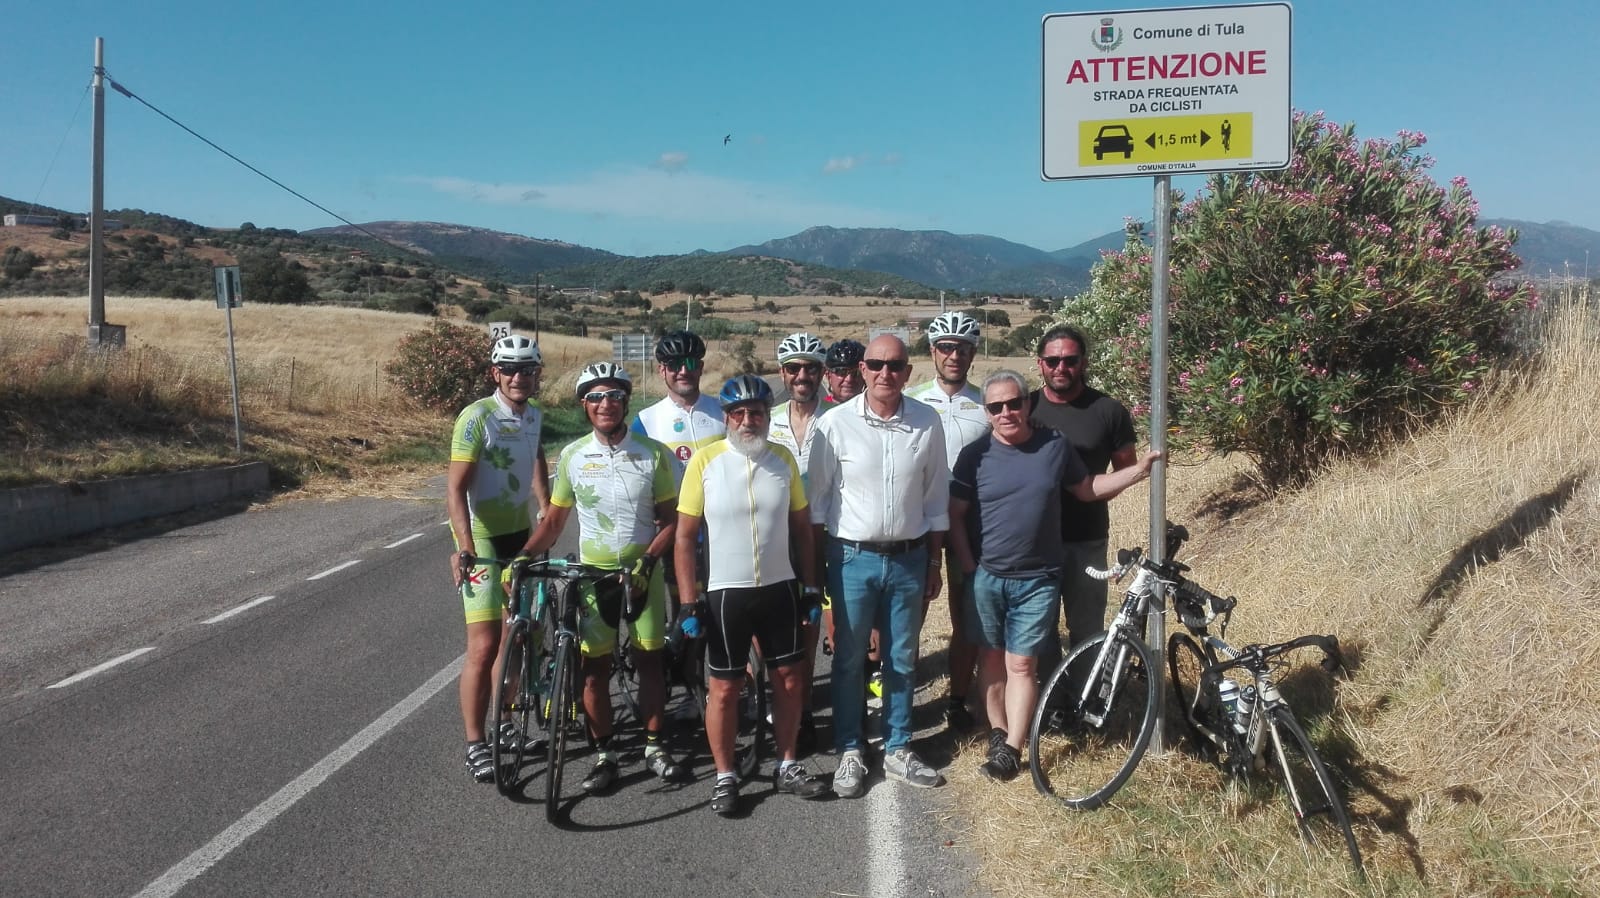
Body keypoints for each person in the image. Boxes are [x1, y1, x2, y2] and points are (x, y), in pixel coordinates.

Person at [949, 370, 1159, 781]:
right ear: (987, 412)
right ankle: (998, 732)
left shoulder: (1054, 446)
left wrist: (1139, 470)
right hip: (988, 577)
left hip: (1038, 578)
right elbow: (955, 517)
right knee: (991, 659)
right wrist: (970, 568)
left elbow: (1087, 488)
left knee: (1022, 665)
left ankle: (1012, 748)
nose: (1006, 412)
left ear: (1027, 405)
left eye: (1014, 403)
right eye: (996, 407)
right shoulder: (974, 456)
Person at [518, 362, 686, 793]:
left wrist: (649, 560)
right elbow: (555, 522)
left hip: (641, 574)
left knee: (649, 660)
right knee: (593, 669)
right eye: (595, 397)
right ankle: (604, 754)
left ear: (626, 401)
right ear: (584, 405)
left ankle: (654, 746)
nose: (605, 404)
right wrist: (524, 555)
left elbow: (672, 522)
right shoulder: (574, 456)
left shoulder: (653, 455)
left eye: (613, 396)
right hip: (594, 578)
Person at [675, 375, 831, 815]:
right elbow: (685, 538)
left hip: (780, 588)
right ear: (726, 418)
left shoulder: (782, 460)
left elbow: (803, 529)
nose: (748, 421)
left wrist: (811, 586)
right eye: (739, 413)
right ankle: (725, 776)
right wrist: (689, 601)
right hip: (726, 595)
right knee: (724, 689)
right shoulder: (705, 461)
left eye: (757, 413)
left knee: (791, 680)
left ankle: (787, 765)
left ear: (767, 416)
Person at [808, 335, 950, 797]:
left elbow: (935, 502)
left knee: (902, 659)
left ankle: (898, 746)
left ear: (909, 372)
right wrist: (816, 569)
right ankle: (851, 749)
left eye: (896, 366)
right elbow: (818, 503)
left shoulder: (927, 422)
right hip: (851, 558)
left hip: (910, 559)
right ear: (863, 370)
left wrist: (934, 562)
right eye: (876, 365)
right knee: (849, 660)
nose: (885, 373)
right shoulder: (834, 424)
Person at [447, 334, 552, 783]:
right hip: (485, 540)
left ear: (536, 375)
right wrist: (464, 545)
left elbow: (536, 456)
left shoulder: (534, 416)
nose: (517, 377)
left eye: (526, 369)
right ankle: (475, 742)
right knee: (484, 646)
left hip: (520, 536)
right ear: (495, 373)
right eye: (509, 369)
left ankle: (505, 722)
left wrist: (545, 502)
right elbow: (454, 489)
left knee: (518, 640)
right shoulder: (477, 417)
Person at [1029, 324, 1142, 670]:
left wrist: (1092, 493)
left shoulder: (1108, 411)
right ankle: (1050, 703)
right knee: (1040, 628)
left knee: (1087, 628)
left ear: (1083, 362)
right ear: (1040, 364)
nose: (1061, 368)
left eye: (1070, 360)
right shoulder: (1024, 408)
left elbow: (1125, 468)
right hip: (1033, 541)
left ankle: (1082, 700)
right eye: (1053, 361)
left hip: (1087, 539)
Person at [905, 311, 991, 734]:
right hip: (920, 523)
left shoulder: (987, 403)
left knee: (965, 617)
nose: (954, 355)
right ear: (933, 351)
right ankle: (897, 696)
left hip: (967, 525)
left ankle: (957, 699)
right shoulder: (912, 401)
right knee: (909, 616)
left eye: (962, 348)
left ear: (973, 352)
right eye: (946, 347)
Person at [766, 332, 829, 750]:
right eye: (794, 368)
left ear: (822, 372)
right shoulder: (763, 418)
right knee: (766, 631)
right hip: (772, 537)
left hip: (823, 536)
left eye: (810, 368)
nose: (802, 375)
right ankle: (771, 706)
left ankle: (803, 711)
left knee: (808, 629)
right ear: (782, 372)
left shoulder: (843, 416)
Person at [631, 330, 725, 608]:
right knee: (686, 614)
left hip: (724, 529)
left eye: (691, 363)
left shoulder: (724, 411)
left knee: (726, 612)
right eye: (674, 364)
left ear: (701, 367)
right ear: (662, 370)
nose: (683, 371)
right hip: (677, 534)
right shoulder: (646, 421)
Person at [822, 338, 865, 406]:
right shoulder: (819, 410)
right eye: (842, 372)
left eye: (856, 372)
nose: (849, 379)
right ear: (828, 376)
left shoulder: (875, 410)